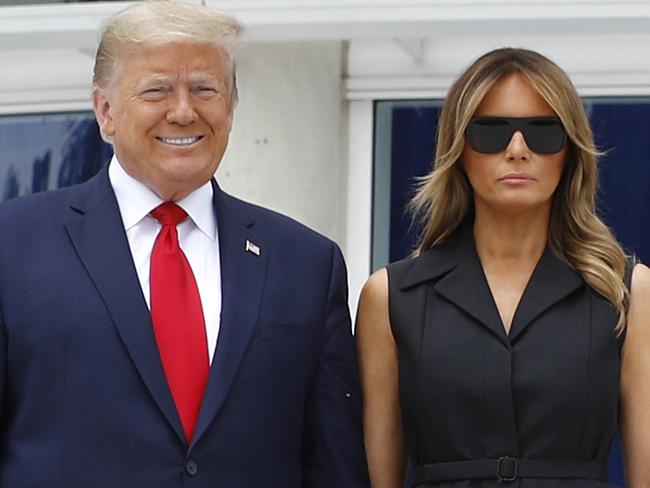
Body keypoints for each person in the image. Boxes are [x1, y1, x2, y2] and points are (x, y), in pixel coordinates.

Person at [0, 2, 369, 487]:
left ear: (231, 106)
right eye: (156, 90)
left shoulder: (305, 264)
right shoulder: (13, 244)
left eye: (204, 89)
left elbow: (334, 465)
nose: (183, 111)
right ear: (105, 111)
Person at [356, 47, 650, 487]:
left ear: (569, 151)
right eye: (491, 131)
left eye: (543, 131)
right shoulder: (392, 296)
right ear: (459, 148)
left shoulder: (626, 292)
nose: (517, 149)